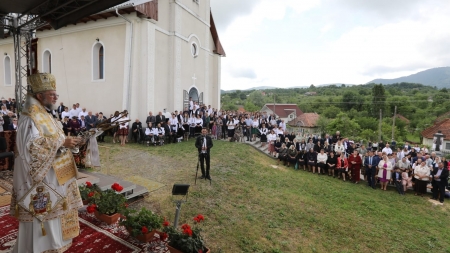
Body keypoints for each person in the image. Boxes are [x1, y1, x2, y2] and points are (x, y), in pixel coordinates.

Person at [11, 73, 82, 253]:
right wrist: (61, 142)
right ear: (39, 95)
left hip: (53, 174)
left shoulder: (45, 113)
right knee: (41, 212)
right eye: (52, 94)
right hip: (38, 179)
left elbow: (55, 139)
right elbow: (30, 147)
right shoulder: (30, 116)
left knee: (55, 211)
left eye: (56, 94)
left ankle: (54, 246)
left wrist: (68, 142)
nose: (56, 97)